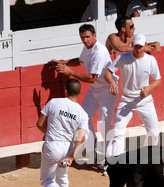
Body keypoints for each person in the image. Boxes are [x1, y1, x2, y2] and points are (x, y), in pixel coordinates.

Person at [48, 24, 119, 166]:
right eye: (82, 37)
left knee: (104, 125)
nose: (85, 40)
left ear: (94, 36)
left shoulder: (99, 51)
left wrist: (70, 72)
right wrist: (63, 62)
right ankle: (94, 151)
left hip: (107, 90)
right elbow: (80, 61)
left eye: (87, 37)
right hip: (95, 90)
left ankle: (112, 160)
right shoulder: (87, 49)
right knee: (82, 119)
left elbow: (91, 78)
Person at [36, 79, 89, 187]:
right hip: (68, 148)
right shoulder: (82, 113)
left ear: (65, 90)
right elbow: (81, 138)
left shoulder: (53, 102)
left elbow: (39, 123)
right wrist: (72, 156)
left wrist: (48, 133)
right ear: (79, 92)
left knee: (46, 180)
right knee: (62, 177)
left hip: (52, 145)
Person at [104, 34, 162, 156]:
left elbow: (158, 80)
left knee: (154, 132)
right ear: (132, 46)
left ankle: (147, 158)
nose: (139, 49)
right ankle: (116, 164)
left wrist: (149, 88)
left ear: (145, 46)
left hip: (145, 101)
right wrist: (111, 82)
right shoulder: (123, 58)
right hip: (126, 100)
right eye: (136, 46)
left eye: (141, 47)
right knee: (118, 131)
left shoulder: (151, 60)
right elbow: (108, 72)